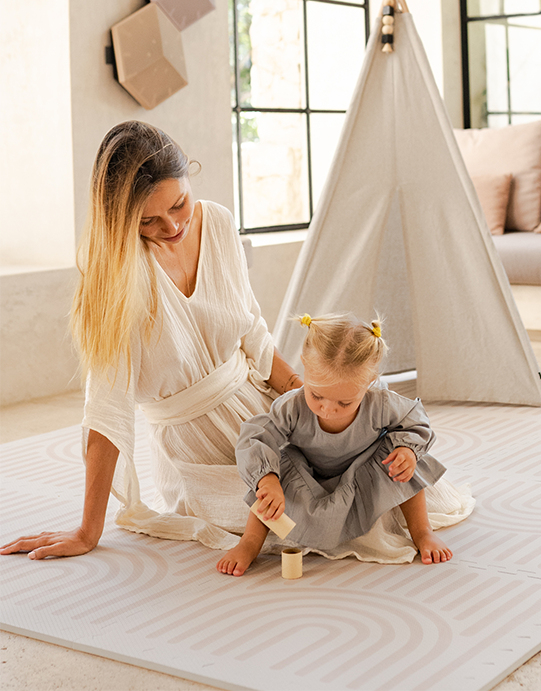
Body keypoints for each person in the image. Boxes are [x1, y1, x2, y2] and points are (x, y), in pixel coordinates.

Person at [0, 120, 303, 560]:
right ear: (121, 218)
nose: (173, 225)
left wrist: (302, 394)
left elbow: (251, 328)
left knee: (363, 471)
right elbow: (107, 412)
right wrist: (88, 531)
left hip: (260, 414)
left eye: (179, 204)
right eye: (149, 220)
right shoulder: (115, 280)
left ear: (189, 177)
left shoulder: (216, 222)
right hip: (196, 447)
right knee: (297, 519)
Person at [217, 312, 467, 577]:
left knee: (402, 460)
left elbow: (414, 420)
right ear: (304, 365)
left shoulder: (380, 403)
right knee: (269, 481)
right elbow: (257, 437)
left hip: (362, 469)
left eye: (344, 403)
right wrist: (267, 480)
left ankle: (421, 532)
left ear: (369, 382)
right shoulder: (291, 406)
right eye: (317, 395)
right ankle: (250, 541)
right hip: (308, 474)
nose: (328, 409)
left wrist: (408, 451)